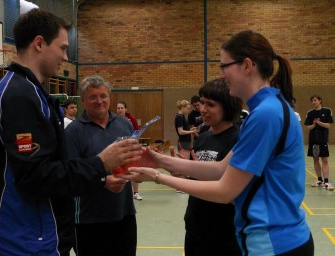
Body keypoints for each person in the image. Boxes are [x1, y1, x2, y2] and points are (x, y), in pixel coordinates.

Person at [119, 30, 314, 256]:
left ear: (247, 65)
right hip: (275, 241)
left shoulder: (266, 115)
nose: (221, 74)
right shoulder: (266, 109)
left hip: (275, 243)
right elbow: (221, 169)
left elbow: (225, 191)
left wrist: (157, 177)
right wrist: (160, 160)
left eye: (224, 66)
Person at [0, 9, 142, 256]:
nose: (65, 57)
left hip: (37, 231)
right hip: (26, 237)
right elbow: (36, 176)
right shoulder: (19, 96)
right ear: (39, 43)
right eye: (62, 48)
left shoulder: (31, 92)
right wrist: (100, 164)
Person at [66, 75, 138, 256]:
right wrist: (103, 181)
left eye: (103, 96)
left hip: (125, 213)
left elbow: (130, 159)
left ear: (110, 97)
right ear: (83, 100)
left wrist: (137, 169)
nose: (100, 101)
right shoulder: (73, 132)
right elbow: (70, 174)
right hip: (89, 219)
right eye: (93, 97)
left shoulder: (124, 124)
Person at [184, 79, 242, 256]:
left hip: (226, 232)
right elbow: (197, 179)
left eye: (210, 104)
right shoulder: (202, 138)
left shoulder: (239, 139)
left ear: (227, 106)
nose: (202, 110)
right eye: (201, 103)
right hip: (196, 227)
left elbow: (230, 186)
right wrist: (183, 171)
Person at [304, 95, 334, 191]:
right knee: (315, 161)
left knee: (324, 160)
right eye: (312, 101)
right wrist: (314, 124)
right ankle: (319, 180)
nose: (313, 102)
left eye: (315, 100)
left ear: (320, 101)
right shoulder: (310, 113)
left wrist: (319, 123)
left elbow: (328, 126)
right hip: (313, 140)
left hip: (323, 140)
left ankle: (326, 182)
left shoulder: (327, 111)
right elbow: (308, 128)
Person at [116, 101, 143, 200]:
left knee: (133, 170)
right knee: (120, 171)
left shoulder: (131, 119)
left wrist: (134, 145)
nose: (120, 110)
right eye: (118, 108)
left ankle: (136, 193)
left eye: (122, 108)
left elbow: (137, 133)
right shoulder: (114, 120)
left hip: (131, 149)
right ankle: (121, 193)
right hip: (119, 149)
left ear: (125, 109)